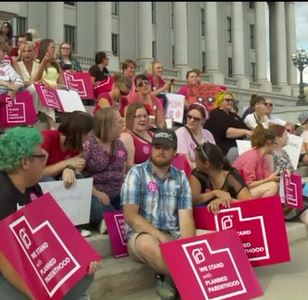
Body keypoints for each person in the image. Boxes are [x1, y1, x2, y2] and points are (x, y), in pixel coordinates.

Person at [0, 126, 99, 300]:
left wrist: (81, 259)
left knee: (85, 274)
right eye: (41, 157)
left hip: (27, 262)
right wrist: (38, 295)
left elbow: (51, 231)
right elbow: (2, 258)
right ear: (25, 163)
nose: (45, 161)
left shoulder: (32, 187)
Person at [121, 128, 198, 300]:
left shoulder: (181, 177)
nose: (160, 151)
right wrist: (160, 236)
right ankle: (192, 280)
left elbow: (186, 217)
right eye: (157, 146)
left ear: (175, 152)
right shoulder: (136, 173)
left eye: (166, 147)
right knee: (147, 244)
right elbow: (131, 217)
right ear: (151, 148)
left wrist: (186, 246)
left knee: (216, 238)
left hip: (174, 234)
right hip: (143, 235)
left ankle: (170, 276)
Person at [82, 108, 126, 231]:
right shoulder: (88, 144)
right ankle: (117, 220)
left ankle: (109, 220)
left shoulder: (119, 145)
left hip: (118, 194)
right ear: (108, 125)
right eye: (119, 122)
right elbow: (77, 175)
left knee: (137, 202)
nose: (123, 124)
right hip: (95, 195)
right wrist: (96, 193)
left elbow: (122, 171)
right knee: (98, 207)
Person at [190, 142, 252, 213]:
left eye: (196, 160)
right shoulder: (198, 174)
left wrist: (227, 201)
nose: (194, 162)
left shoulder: (231, 177)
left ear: (206, 164)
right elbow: (191, 201)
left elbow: (250, 204)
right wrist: (214, 193)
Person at [41, 111, 94, 188]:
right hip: (41, 181)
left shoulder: (77, 145)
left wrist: (69, 168)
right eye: (89, 133)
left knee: (80, 180)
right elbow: (38, 172)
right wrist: (67, 163)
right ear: (79, 134)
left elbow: (79, 166)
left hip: (60, 177)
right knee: (47, 180)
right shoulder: (47, 138)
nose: (91, 136)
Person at [204, 91, 252, 163]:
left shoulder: (234, 115)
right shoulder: (215, 114)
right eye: (227, 100)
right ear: (220, 101)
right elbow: (227, 133)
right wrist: (245, 132)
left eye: (232, 100)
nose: (230, 102)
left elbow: (246, 127)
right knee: (235, 152)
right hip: (222, 150)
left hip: (239, 146)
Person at [232, 125, 279, 198]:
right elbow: (248, 185)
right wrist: (268, 179)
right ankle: (261, 209)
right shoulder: (251, 157)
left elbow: (268, 178)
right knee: (273, 186)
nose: (276, 146)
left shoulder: (262, 158)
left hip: (248, 191)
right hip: (238, 193)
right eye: (275, 143)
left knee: (275, 185)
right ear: (268, 143)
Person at [32, 38, 66, 130]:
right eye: (52, 47)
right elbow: (35, 79)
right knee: (46, 93)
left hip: (56, 89)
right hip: (44, 89)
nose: (54, 49)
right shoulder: (36, 62)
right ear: (45, 48)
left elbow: (62, 83)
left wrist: (59, 86)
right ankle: (52, 125)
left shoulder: (56, 64)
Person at [175, 103, 215, 168]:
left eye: (196, 119)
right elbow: (185, 163)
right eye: (189, 116)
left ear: (203, 120)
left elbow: (215, 158)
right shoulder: (180, 133)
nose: (191, 120)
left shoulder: (208, 134)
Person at [119, 103, 154, 170]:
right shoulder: (126, 137)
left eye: (145, 116)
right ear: (131, 118)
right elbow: (129, 166)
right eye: (139, 116)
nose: (143, 119)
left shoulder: (151, 134)